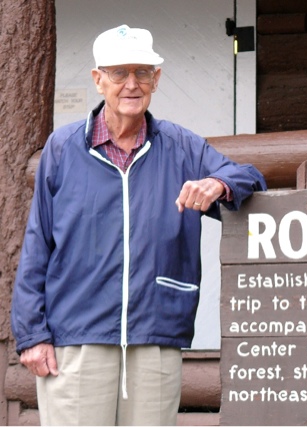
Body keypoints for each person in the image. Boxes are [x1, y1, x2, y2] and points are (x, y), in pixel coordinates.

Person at [11, 24, 266, 425]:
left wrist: (217, 183)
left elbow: (249, 177)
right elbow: (37, 243)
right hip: (76, 338)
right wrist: (32, 335)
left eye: (142, 72)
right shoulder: (62, 149)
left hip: (154, 336)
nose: (132, 84)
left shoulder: (181, 147)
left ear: (156, 79)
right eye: (119, 73)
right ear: (98, 80)